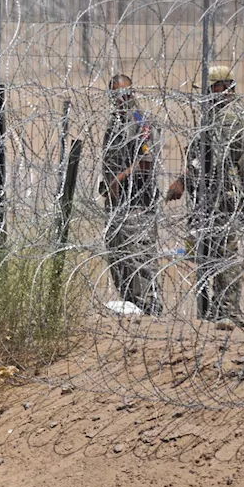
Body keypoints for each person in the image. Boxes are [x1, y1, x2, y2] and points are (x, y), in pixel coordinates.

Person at [167, 65, 244, 327]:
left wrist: (187, 181)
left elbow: (216, 160)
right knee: (213, 251)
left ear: (221, 87)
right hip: (218, 192)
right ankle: (219, 309)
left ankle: (227, 310)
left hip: (220, 194)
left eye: (209, 89)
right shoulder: (225, 114)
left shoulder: (226, 117)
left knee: (224, 253)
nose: (205, 95)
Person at [100, 74, 163, 316]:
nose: (121, 99)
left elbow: (147, 161)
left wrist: (121, 177)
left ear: (132, 93)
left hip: (138, 203)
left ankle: (149, 310)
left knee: (140, 260)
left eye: (125, 94)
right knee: (118, 261)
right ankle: (132, 309)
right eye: (116, 95)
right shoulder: (115, 122)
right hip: (118, 205)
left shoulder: (139, 121)